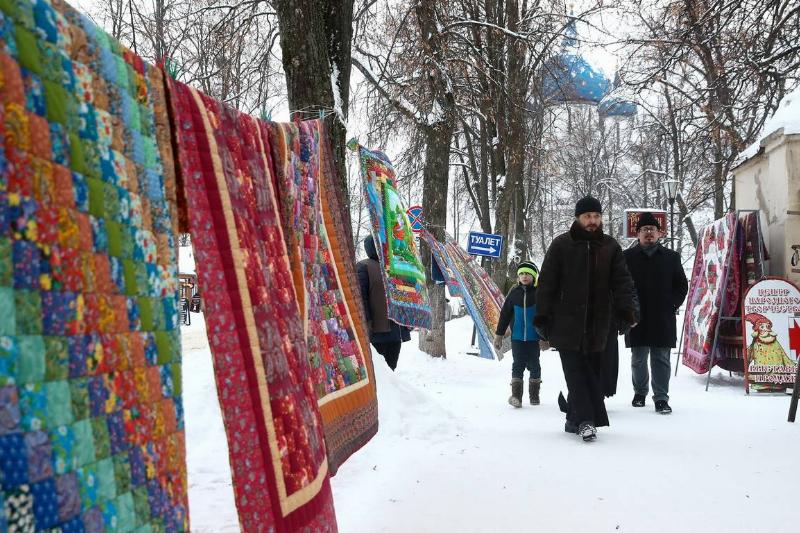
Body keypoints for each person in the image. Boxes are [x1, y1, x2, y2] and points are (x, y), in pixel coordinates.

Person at [535, 196, 638, 442]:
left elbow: (622, 283)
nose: (592, 221)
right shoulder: (561, 245)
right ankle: (586, 422)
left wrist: (626, 313)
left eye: (596, 216)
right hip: (566, 323)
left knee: (592, 372)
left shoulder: (610, 247)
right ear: (578, 218)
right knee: (574, 372)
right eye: (587, 216)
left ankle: (573, 417)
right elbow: (547, 284)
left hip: (599, 324)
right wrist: (542, 317)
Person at [624, 212, 688, 414]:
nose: (649, 233)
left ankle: (661, 398)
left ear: (660, 233)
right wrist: (626, 309)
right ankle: (640, 393)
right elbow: (620, 286)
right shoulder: (627, 257)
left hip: (662, 317)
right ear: (638, 234)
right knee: (638, 358)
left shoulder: (671, 257)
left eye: (652, 229)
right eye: (644, 230)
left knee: (661, 358)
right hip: (636, 316)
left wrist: (671, 305)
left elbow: (681, 286)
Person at [357, 235, 411, 370]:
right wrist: (367, 324)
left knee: (390, 370)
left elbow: (405, 294)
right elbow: (361, 299)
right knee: (379, 372)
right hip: (377, 333)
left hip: (395, 332)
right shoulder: (364, 267)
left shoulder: (395, 266)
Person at [494, 261, 543, 407]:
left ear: (534, 276)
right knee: (517, 365)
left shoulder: (539, 293)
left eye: (527, 274)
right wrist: (499, 335)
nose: (524, 276)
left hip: (534, 338)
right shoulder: (514, 293)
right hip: (517, 337)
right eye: (521, 274)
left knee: (534, 365)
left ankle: (534, 395)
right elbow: (505, 315)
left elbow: (545, 316)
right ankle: (516, 397)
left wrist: (545, 338)